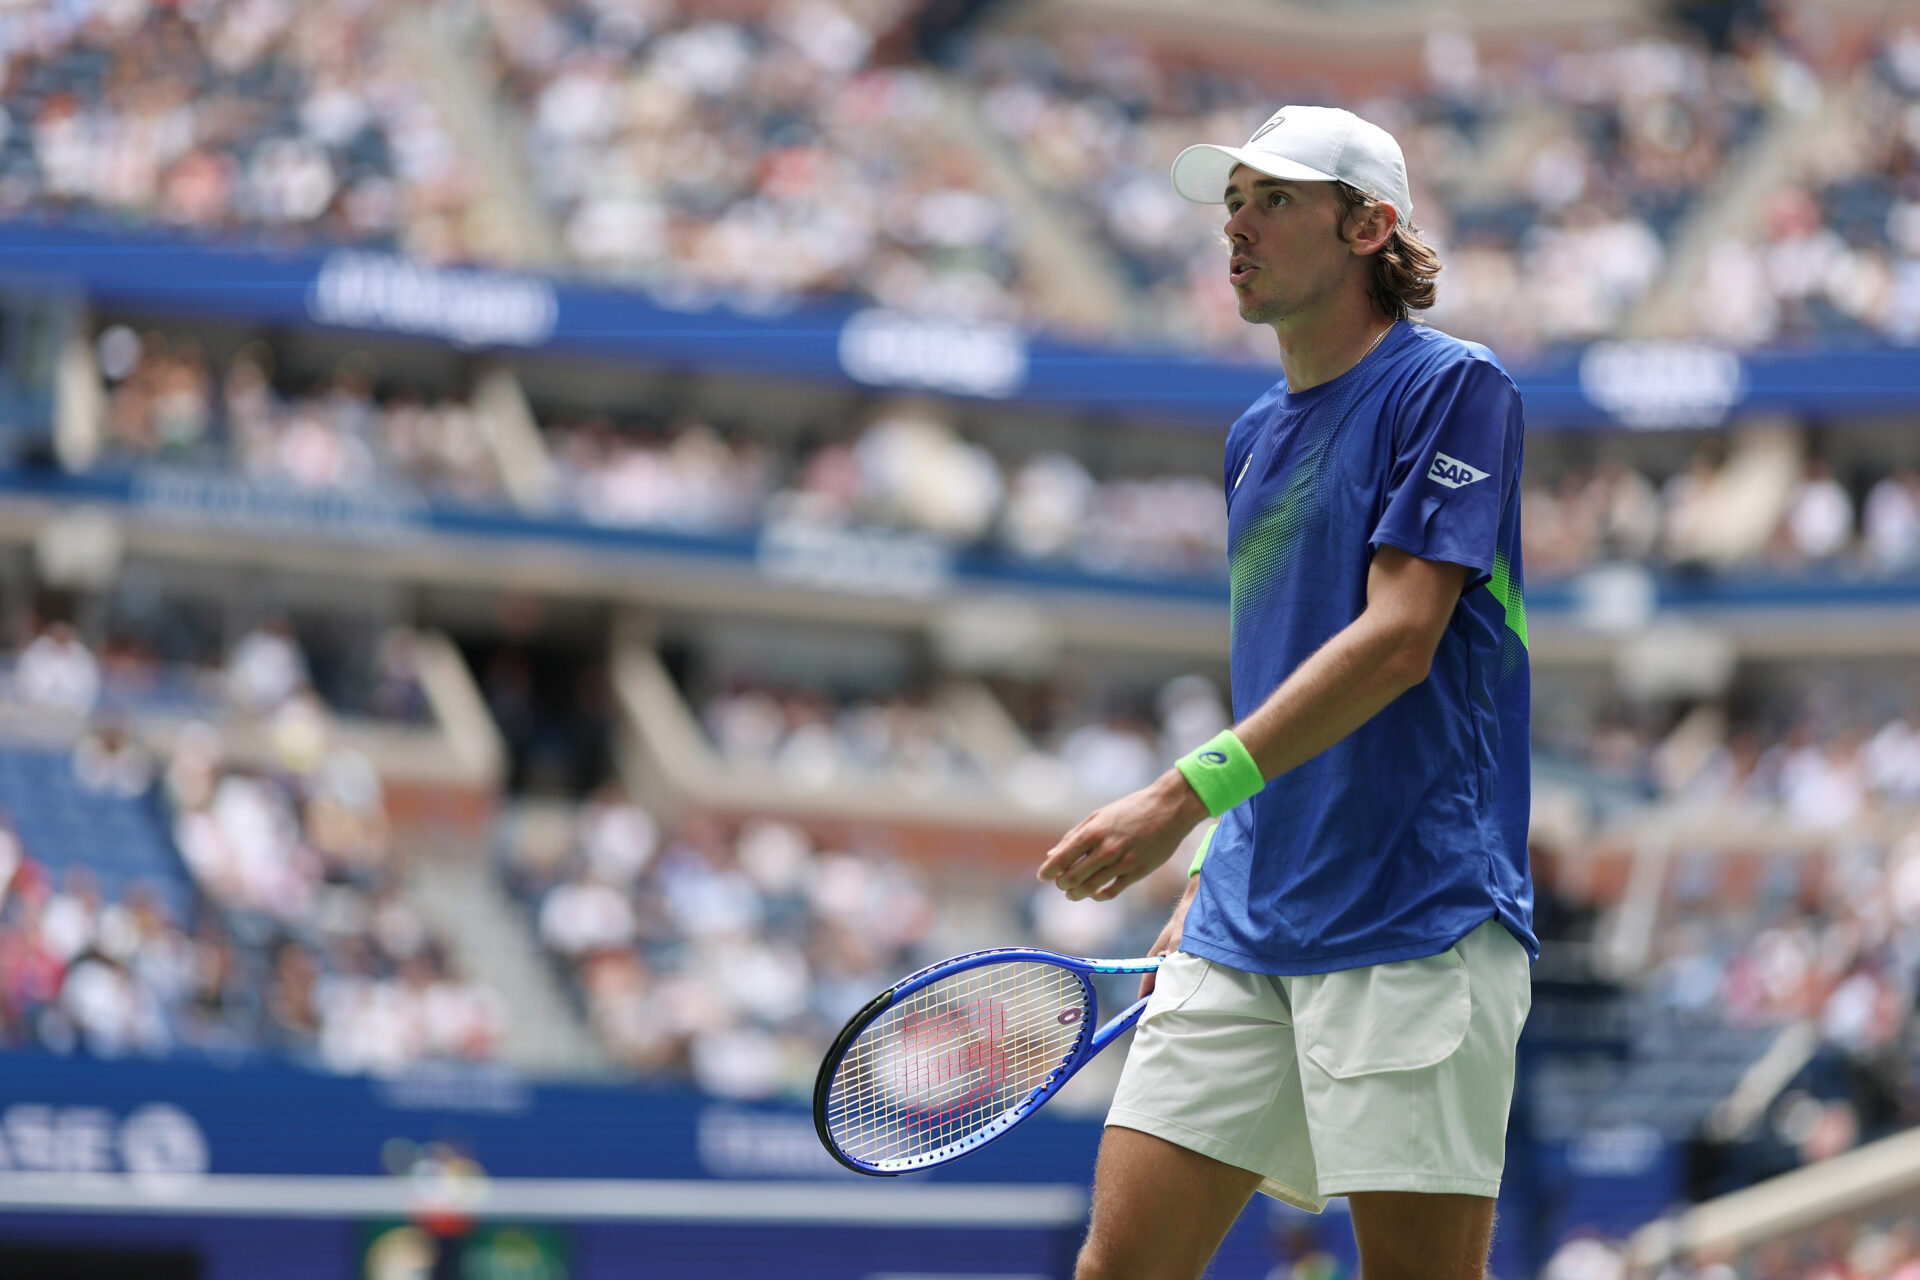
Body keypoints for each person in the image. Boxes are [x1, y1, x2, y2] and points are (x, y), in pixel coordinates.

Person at [1037, 105, 1535, 1280]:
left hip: (1419, 913)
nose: (1238, 231)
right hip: (1245, 916)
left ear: (1370, 227)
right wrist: (1216, 852)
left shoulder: (1455, 389)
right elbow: (1283, 665)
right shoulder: (1253, 435)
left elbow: (1400, 637)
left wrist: (1178, 798)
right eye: (1232, 204)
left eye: (1275, 202)